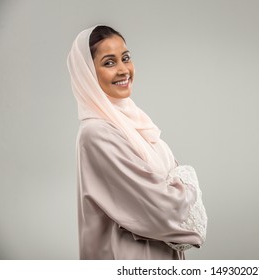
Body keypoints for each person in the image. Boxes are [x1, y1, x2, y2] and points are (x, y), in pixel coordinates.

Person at [67, 25, 207, 260]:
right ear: (88, 73)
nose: (123, 70)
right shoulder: (97, 133)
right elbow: (161, 208)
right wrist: (189, 185)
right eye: (109, 63)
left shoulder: (135, 123)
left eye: (126, 58)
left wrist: (178, 186)